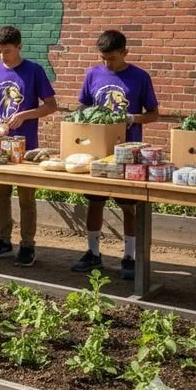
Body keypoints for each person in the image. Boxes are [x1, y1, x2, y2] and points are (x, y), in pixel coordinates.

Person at [70, 30, 159, 280]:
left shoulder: (140, 77)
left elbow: (154, 114)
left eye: (112, 58)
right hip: (97, 152)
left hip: (127, 152)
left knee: (129, 206)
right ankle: (93, 253)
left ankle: (130, 256)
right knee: (94, 202)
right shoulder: (93, 74)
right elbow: (83, 106)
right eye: (103, 58)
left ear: (125, 53)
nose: (107, 63)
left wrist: (132, 117)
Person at [0, 25, 57, 267]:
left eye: (8, 51)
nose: (3, 56)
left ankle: (27, 244)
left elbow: (51, 105)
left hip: (26, 146)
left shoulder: (33, 71)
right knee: (0, 195)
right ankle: (3, 240)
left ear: (20, 47)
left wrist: (26, 115)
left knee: (26, 197)